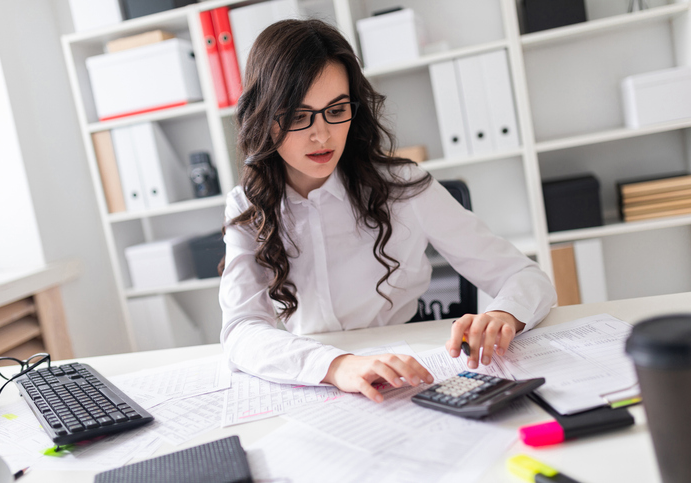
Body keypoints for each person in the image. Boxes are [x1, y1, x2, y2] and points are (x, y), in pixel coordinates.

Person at [219, 19, 557, 403]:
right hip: (312, 378)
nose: (322, 135)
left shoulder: (404, 187)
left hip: (407, 375)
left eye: (336, 110)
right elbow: (241, 329)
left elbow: (525, 276)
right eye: (298, 116)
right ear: (263, 116)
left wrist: (504, 316)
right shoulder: (248, 205)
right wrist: (336, 366)